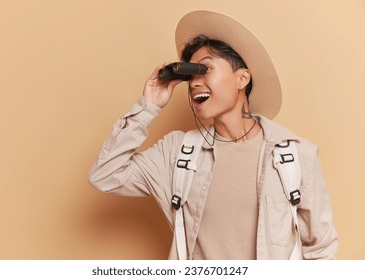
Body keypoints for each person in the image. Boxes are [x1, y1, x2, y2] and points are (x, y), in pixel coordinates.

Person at [89, 10, 338, 260]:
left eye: (205, 69)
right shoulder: (176, 153)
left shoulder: (295, 155)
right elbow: (106, 175)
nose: (195, 83)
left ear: (242, 78)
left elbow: (322, 251)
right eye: (191, 75)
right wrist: (149, 105)